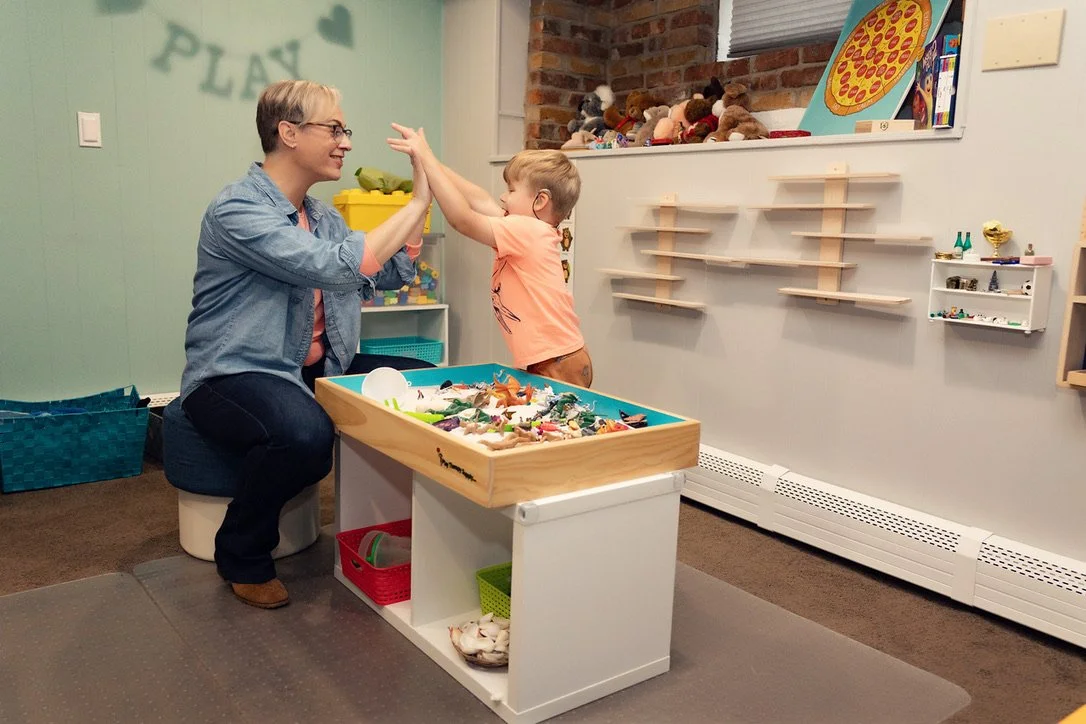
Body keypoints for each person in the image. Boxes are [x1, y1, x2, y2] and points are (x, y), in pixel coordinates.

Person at [178, 80, 434, 609]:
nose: (345, 141)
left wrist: (416, 214)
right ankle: (242, 553)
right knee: (303, 435)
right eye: (334, 128)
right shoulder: (236, 210)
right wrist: (417, 202)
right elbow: (333, 266)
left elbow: (387, 275)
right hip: (233, 373)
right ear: (288, 132)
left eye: (346, 130)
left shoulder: (323, 217)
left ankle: (386, 524)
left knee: (420, 384)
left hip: (313, 365)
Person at [387, 125, 592, 387]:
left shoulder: (527, 230)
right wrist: (430, 162)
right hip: (559, 358)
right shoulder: (530, 229)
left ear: (540, 201)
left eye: (512, 190)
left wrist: (426, 158)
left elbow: (462, 219)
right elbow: (479, 199)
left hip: (558, 363)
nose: (503, 196)